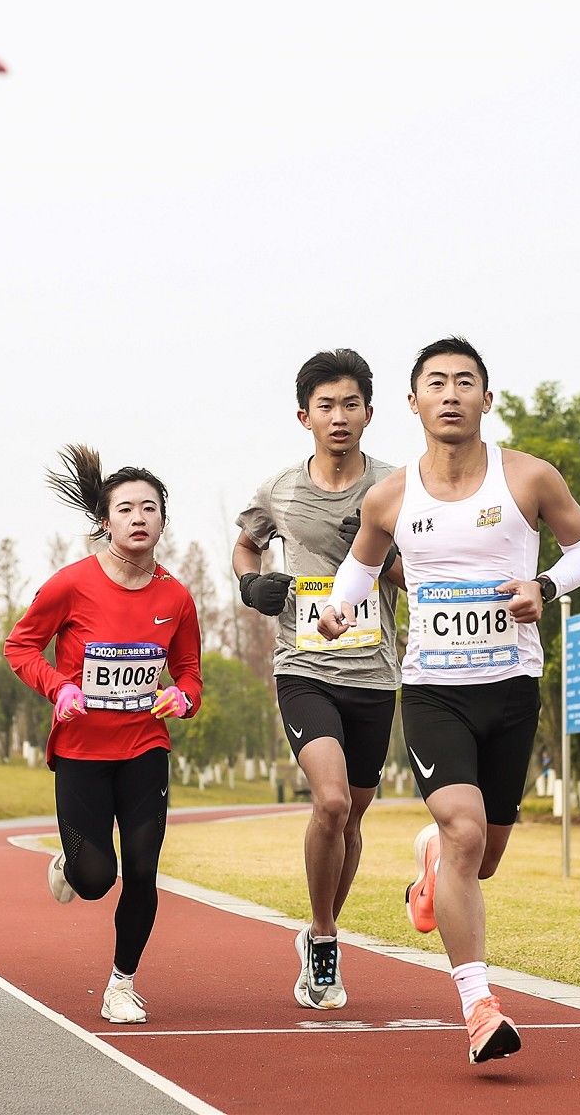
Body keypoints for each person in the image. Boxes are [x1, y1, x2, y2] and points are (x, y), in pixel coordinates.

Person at [319, 337, 580, 1066]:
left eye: (465, 382)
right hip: (433, 691)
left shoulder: (528, 477)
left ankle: (434, 866)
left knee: (483, 857)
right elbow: (361, 568)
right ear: (414, 402)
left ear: (486, 398)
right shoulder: (389, 496)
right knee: (465, 830)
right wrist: (339, 608)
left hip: (510, 689)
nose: (451, 394)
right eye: (437, 383)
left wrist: (545, 586)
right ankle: (479, 1006)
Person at [4, 446, 203, 1026]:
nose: (139, 517)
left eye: (149, 508)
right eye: (126, 509)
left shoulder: (176, 597)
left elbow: (190, 674)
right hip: (81, 751)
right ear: (105, 520)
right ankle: (72, 862)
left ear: (163, 520)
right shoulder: (71, 585)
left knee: (141, 869)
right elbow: (20, 647)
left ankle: (122, 983)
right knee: (95, 880)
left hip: (144, 747)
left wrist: (182, 699)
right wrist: (58, 688)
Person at [232, 348, 401, 1011]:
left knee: (353, 813)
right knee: (330, 802)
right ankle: (326, 936)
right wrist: (251, 583)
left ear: (369, 412)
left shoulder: (395, 486)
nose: (339, 416)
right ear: (304, 416)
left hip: (374, 671)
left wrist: (377, 552)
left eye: (350, 404)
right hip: (304, 666)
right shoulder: (279, 489)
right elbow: (247, 543)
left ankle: (318, 931)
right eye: (325, 405)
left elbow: (418, 573)